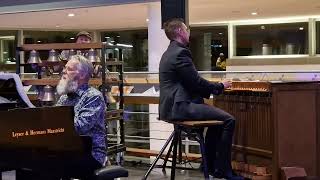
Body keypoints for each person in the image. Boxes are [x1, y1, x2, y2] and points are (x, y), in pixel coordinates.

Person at [159, 18, 241, 179]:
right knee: (229, 120)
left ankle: (209, 165)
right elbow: (196, 82)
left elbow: (191, 82)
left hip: (171, 107)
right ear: (181, 32)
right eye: (186, 29)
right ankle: (223, 170)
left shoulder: (169, 52)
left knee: (217, 124)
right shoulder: (180, 53)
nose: (188, 32)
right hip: (180, 107)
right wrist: (220, 86)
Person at [56, 55, 107, 179]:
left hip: (90, 154)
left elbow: (79, 127)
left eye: (69, 69)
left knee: (47, 165)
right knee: (31, 163)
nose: (64, 71)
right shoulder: (64, 98)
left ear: (82, 75)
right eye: (65, 68)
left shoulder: (93, 96)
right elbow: (54, 121)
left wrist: (55, 124)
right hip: (68, 151)